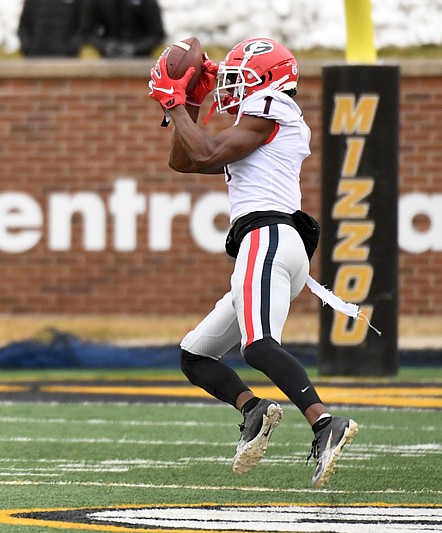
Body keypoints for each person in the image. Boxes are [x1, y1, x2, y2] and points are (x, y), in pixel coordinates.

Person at [147, 37, 358, 489]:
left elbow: (202, 152)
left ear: (269, 81)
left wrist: (177, 102)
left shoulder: (272, 105)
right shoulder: (257, 119)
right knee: (195, 355)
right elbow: (184, 160)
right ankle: (253, 409)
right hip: (271, 243)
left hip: (268, 236)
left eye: (239, 78)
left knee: (258, 345)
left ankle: (325, 424)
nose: (229, 87)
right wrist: (185, 104)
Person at [81, 0, 165, 58]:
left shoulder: (146, 2)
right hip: (107, 51)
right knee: (87, 51)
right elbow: (87, 32)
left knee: (162, 52)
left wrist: (136, 48)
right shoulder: (97, 2)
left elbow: (158, 34)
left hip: (143, 53)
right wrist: (105, 46)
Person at [18, 0, 83, 57]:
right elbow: (24, 26)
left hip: (66, 57)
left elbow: (82, 26)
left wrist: (72, 48)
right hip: (35, 56)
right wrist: (27, 47)